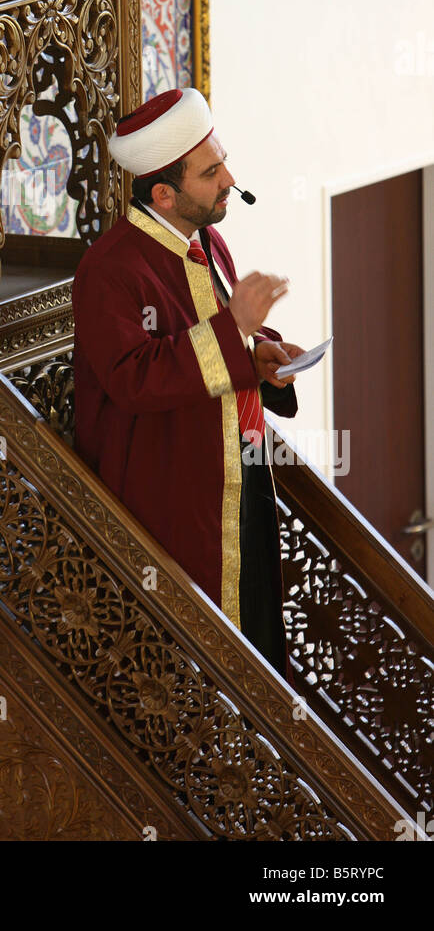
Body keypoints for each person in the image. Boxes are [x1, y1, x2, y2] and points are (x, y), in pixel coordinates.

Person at [71, 88, 304, 678]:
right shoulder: (111, 269)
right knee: (197, 669)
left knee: (258, 642)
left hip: (240, 477)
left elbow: (220, 339)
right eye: (211, 171)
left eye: (222, 160)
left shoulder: (209, 240)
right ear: (164, 195)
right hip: (173, 500)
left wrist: (263, 356)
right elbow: (135, 379)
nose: (230, 178)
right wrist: (236, 333)